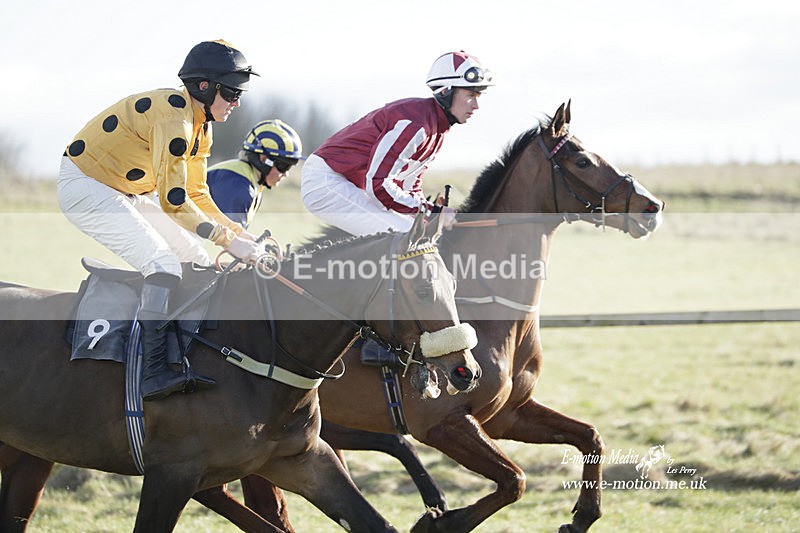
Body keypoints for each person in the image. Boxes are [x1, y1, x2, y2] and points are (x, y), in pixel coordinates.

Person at [57, 39, 264, 401]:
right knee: (163, 264)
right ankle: (152, 373)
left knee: (198, 261)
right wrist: (229, 241)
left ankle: (185, 353)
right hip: (87, 186)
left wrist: (237, 233)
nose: (237, 103)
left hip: (124, 191)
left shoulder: (201, 124)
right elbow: (174, 202)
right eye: (232, 93)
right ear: (204, 86)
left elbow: (197, 193)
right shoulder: (174, 120)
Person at [301, 51, 493, 237]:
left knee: (422, 233)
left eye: (478, 97)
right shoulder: (415, 124)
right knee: (409, 238)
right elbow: (379, 185)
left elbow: (408, 186)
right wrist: (433, 212)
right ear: (445, 91)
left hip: (351, 184)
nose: (476, 106)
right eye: (470, 95)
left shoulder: (436, 131)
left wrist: (430, 214)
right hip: (327, 181)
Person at [207, 119, 304, 229]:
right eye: (284, 166)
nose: (286, 174)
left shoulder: (250, 180)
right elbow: (230, 236)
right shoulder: (239, 185)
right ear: (264, 159)